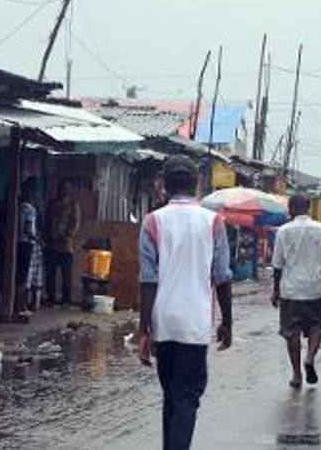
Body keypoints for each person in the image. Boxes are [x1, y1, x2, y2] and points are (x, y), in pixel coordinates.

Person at [138, 155, 233, 450]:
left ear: (164, 185)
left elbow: (148, 280)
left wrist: (144, 330)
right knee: (186, 399)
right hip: (195, 324)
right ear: (198, 184)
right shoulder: (214, 222)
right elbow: (222, 277)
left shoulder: (153, 221)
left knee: (173, 396)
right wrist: (227, 322)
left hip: (163, 321)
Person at [271, 193, 321, 388]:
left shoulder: (283, 231)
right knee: (316, 326)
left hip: (290, 290)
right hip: (315, 289)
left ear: (291, 209)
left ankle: (297, 375)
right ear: (309, 207)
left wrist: (275, 291)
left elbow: (277, 265)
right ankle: (309, 357)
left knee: (291, 332)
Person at [45, 181, 81, 306]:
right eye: (61, 189)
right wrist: (48, 235)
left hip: (65, 245)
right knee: (50, 273)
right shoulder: (52, 204)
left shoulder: (73, 205)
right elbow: (47, 221)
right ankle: (51, 297)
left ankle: (66, 298)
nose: (62, 191)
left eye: (65, 189)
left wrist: (66, 235)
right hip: (51, 244)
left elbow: (75, 223)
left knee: (66, 274)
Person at [16, 178, 42, 319]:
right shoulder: (30, 209)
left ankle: (19, 306)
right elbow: (28, 230)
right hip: (26, 244)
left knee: (19, 277)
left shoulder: (18, 206)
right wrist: (39, 241)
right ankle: (21, 308)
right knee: (23, 278)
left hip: (17, 244)